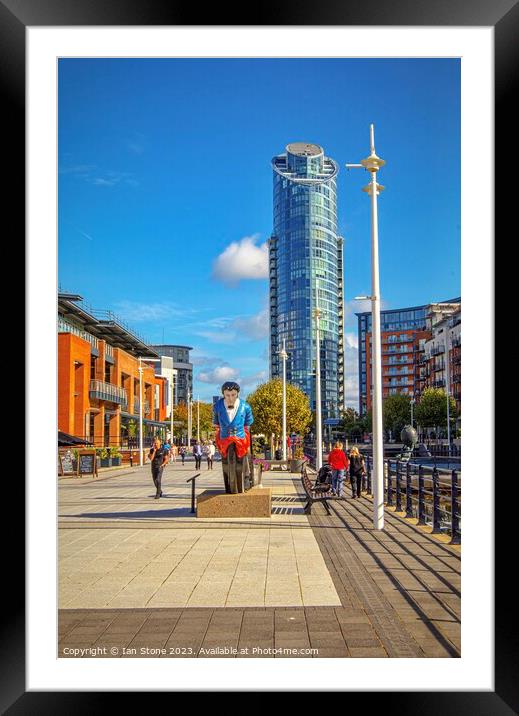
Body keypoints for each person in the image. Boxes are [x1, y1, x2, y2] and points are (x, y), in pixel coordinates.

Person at [213, 381, 254, 493]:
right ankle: (228, 486)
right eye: (227, 395)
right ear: (223, 394)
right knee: (225, 462)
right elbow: (216, 424)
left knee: (244, 460)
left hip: (240, 437)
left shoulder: (245, 407)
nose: (230, 398)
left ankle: (245, 481)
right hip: (224, 438)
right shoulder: (217, 406)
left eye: (233, 395)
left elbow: (248, 423)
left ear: (237, 394)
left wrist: (247, 439)